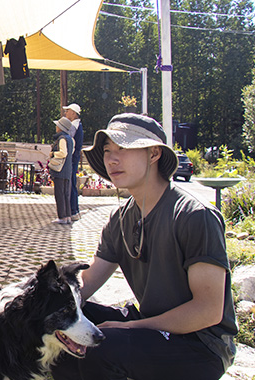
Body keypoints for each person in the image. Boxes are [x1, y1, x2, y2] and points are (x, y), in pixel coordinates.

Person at [51, 114, 237, 380]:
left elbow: (207, 311)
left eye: (123, 149)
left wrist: (132, 327)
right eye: (107, 151)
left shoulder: (194, 216)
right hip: (151, 326)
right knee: (61, 322)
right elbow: (87, 282)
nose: (112, 159)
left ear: (153, 154)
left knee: (102, 348)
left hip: (200, 345)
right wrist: (32, 303)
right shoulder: (120, 219)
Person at [49, 117, 74, 224]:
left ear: (60, 127)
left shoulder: (62, 139)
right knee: (66, 194)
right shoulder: (70, 139)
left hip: (60, 170)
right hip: (68, 170)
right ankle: (67, 215)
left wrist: (53, 154)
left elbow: (63, 153)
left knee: (59, 193)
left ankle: (62, 216)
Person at [63, 103, 83, 221]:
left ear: (74, 113)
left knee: (71, 184)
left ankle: (73, 210)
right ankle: (72, 210)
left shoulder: (74, 127)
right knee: (70, 183)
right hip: (72, 159)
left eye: (68, 111)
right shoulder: (74, 125)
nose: (66, 113)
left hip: (72, 159)